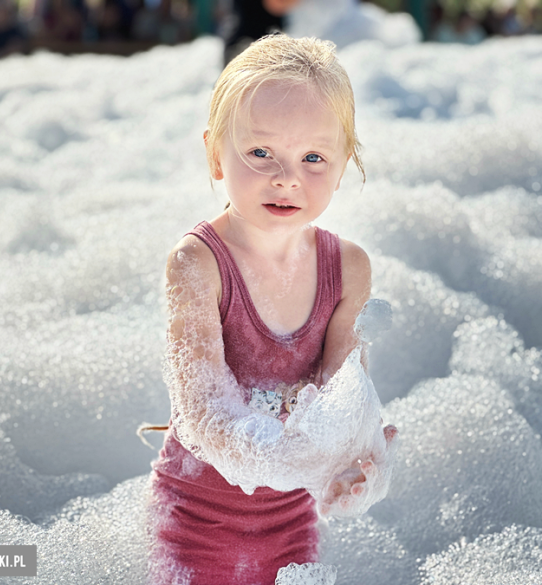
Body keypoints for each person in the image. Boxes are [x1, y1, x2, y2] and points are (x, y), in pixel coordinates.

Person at [143, 34, 398, 585]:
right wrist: (298, 459)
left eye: (313, 158)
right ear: (215, 154)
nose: (287, 177)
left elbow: (342, 399)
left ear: (343, 163)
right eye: (260, 152)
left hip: (291, 525)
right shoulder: (198, 263)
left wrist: (357, 464)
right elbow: (207, 409)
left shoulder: (347, 269)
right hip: (194, 522)